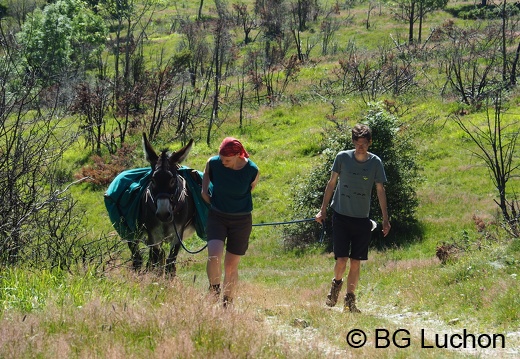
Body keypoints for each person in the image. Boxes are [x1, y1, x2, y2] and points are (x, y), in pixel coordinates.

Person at [315, 124, 390, 313]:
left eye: (364, 144)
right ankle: (335, 287)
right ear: (353, 143)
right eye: (357, 144)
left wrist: (385, 219)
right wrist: (322, 210)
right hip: (340, 215)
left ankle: (350, 302)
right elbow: (331, 184)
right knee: (341, 260)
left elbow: (380, 190)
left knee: (356, 261)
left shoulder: (376, 163)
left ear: (370, 142)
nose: (360, 148)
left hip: (361, 219)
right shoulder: (342, 158)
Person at [201, 137, 260, 307]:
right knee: (214, 255)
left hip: (241, 220)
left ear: (238, 156)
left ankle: (227, 302)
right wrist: (205, 192)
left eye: (227, 160)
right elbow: (206, 179)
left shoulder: (252, 170)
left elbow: (250, 189)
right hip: (217, 216)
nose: (223, 162)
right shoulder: (213, 164)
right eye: (221, 159)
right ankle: (214, 290)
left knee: (230, 265)